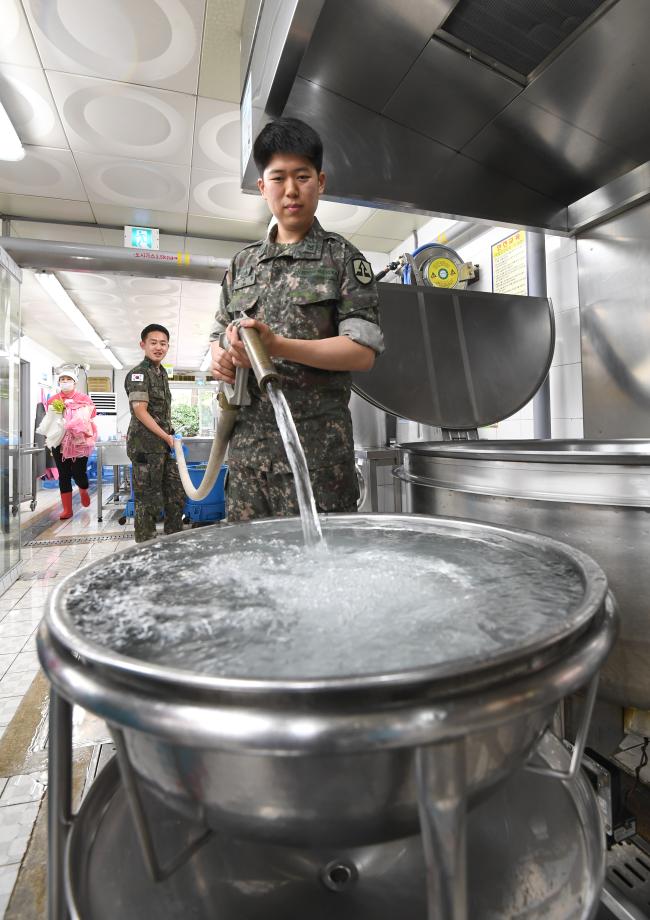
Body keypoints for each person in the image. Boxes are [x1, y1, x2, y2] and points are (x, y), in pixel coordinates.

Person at [209, 117, 384, 521]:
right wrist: (220, 356)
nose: (291, 190)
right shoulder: (242, 264)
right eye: (278, 178)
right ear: (262, 186)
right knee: (251, 574)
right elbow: (220, 333)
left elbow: (362, 352)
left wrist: (278, 348)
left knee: (318, 578)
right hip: (249, 463)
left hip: (317, 461)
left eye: (302, 176)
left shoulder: (342, 258)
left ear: (320, 182)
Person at [124, 324, 186, 543]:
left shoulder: (161, 373)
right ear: (143, 345)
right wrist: (166, 436)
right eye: (153, 342)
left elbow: (160, 412)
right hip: (145, 447)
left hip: (163, 446)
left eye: (163, 343)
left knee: (176, 495)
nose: (158, 347)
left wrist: (172, 434)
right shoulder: (139, 374)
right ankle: (145, 547)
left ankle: (173, 541)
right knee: (147, 501)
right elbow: (140, 411)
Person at [47, 366, 97, 520]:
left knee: (78, 471)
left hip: (79, 442)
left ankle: (83, 490)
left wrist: (75, 408)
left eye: (68, 380)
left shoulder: (84, 398)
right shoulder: (54, 400)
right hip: (59, 441)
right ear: (59, 383)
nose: (65, 382)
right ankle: (67, 509)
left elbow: (92, 414)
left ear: (75, 383)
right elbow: (50, 420)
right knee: (64, 474)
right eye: (62, 380)